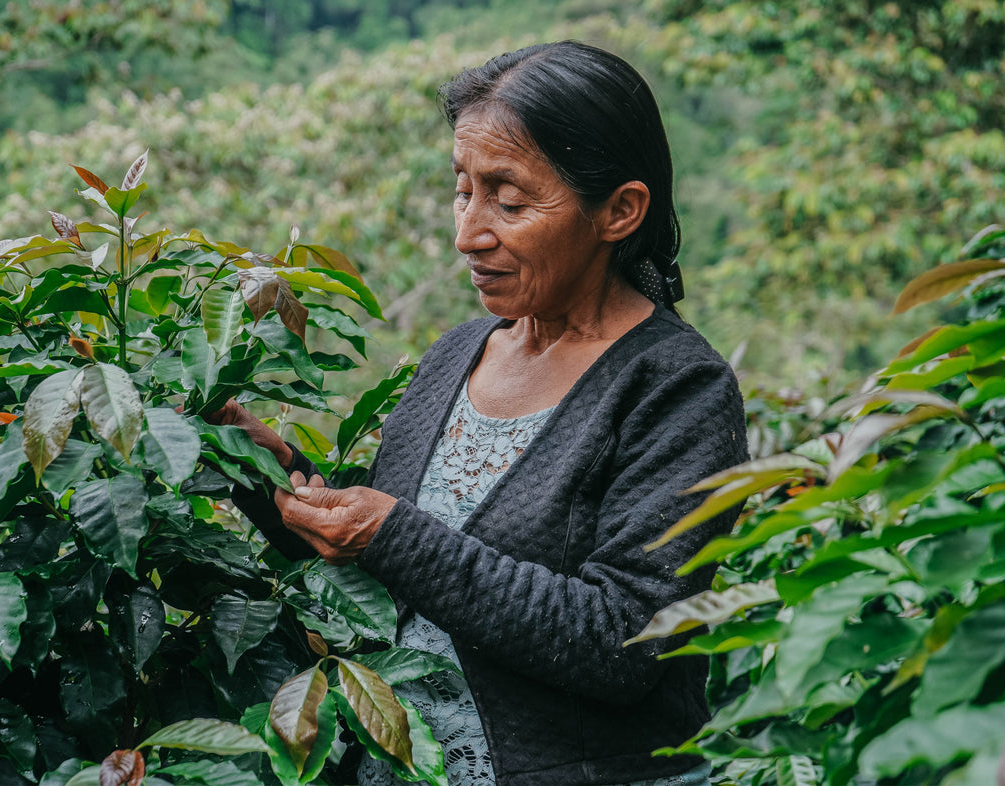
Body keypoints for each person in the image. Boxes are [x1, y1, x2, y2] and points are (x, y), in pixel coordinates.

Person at [218, 41, 748, 786]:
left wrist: (387, 533)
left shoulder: (676, 387)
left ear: (620, 211)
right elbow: (386, 573)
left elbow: (625, 639)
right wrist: (257, 467)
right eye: (463, 190)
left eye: (510, 198)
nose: (468, 232)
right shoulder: (460, 352)